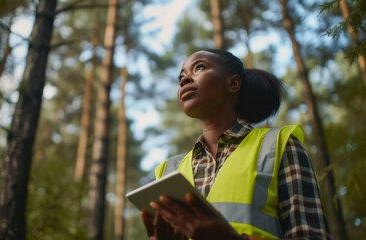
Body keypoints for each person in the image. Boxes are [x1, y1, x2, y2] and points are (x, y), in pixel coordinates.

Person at [140, 50, 331, 240]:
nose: (184, 80)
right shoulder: (167, 172)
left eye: (199, 67)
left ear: (233, 83)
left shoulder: (279, 144)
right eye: (181, 76)